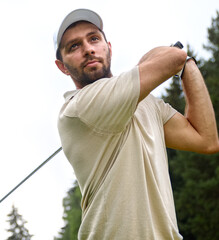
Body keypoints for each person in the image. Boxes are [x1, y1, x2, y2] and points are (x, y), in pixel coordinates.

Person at [55, 9, 219, 240]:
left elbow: (207, 139)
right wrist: (174, 58)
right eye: (74, 46)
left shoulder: (148, 104)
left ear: (108, 47)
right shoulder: (77, 108)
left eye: (94, 39)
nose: (88, 49)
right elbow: (173, 58)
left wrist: (187, 65)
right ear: (62, 66)